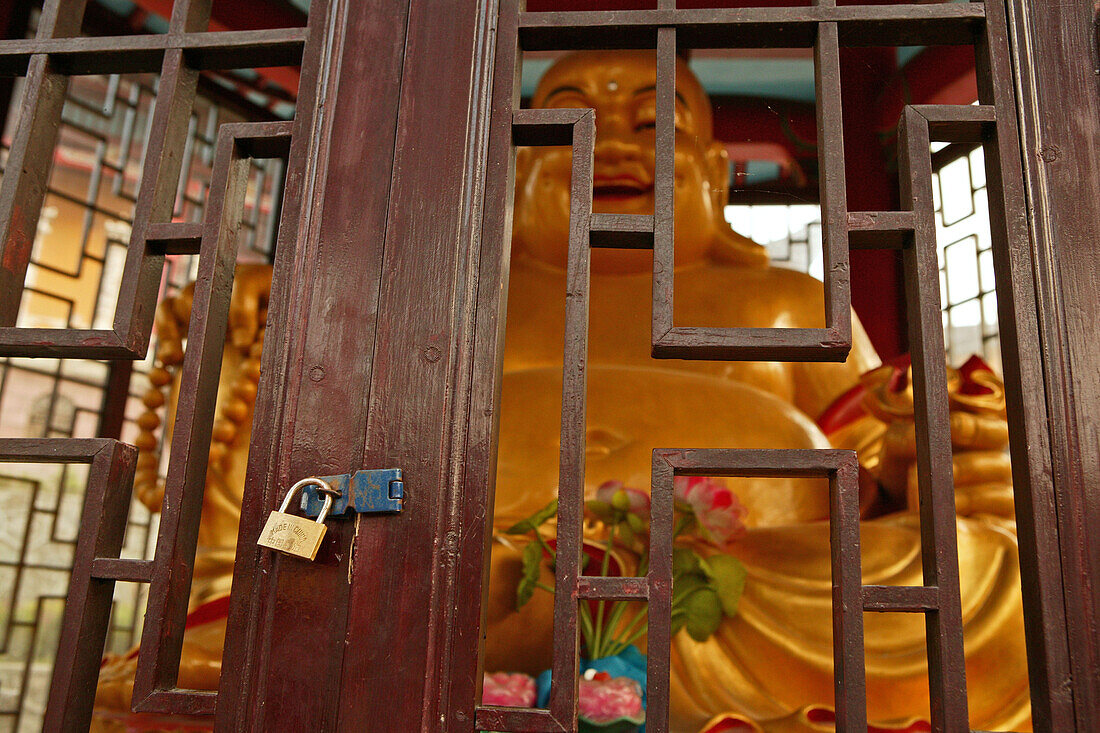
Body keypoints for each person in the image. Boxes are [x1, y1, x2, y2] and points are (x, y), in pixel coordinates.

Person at [97, 50, 1028, 733]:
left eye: (656, 129)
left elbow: (874, 450)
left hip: (745, 592)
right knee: (310, 591)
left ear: (710, 173)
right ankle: (540, 644)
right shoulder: (457, 300)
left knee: (989, 577)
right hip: (465, 573)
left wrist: (937, 440)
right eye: (577, 124)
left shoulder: (782, 300)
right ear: (520, 170)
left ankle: (579, 654)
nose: (618, 150)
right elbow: (338, 472)